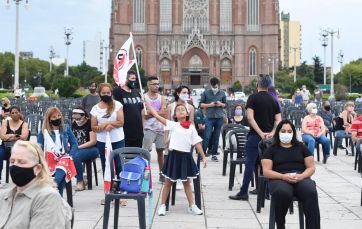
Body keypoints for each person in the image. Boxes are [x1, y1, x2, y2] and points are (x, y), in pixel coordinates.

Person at [144, 102, 207, 216]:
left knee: (186, 183)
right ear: (175, 115)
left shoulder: (192, 128)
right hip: (174, 157)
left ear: (187, 113)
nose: (181, 111)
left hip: (186, 157)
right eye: (178, 110)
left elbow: (197, 143)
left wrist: (203, 156)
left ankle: (192, 206)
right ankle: (162, 206)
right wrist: (149, 106)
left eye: (183, 109)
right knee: (168, 182)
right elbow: (158, 117)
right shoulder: (173, 125)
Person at [229, 75, 281, 200]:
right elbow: (279, 120)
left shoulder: (252, 98)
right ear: (269, 87)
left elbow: (250, 118)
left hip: (254, 136)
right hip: (269, 138)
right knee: (268, 165)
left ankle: (243, 192)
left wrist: (259, 132)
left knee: (250, 163)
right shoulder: (274, 100)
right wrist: (272, 133)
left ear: (258, 85)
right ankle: (267, 192)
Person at [261, 120, 320, 229]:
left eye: (289, 131)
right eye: (283, 131)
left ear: (293, 133)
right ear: (278, 132)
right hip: (279, 178)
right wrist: (283, 177)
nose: (286, 133)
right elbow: (266, 171)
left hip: (300, 177)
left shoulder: (301, 147)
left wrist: (301, 176)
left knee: (310, 191)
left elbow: (311, 167)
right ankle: (280, 224)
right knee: (282, 192)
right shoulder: (271, 149)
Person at [0, 141, 72, 228]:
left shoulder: (47, 197)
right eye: (12, 161)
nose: (15, 166)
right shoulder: (4, 196)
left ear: (37, 168)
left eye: (21, 162)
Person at [37, 107, 78, 196]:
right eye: (54, 117)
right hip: (50, 161)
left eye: (59, 115)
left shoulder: (66, 129)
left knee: (64, 161)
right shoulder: (43, 132)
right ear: (49, 119)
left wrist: (71, 156)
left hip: (65, 159)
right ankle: (58, 197)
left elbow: (74, 144)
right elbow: (38, 148)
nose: (57, 118)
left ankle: (54, 184)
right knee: (61, 173)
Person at [90, 83, 124, 176]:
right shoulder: (95, 108)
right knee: (105, 163)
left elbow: (121, 122)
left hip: (117, 139)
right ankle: (108, 185)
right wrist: (103, 127)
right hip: (102, 141)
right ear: (99, 93)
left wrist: (107, 123)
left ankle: (120, 185)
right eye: (103, 92)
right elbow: (93, 127)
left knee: (119, 164)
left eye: (108, 92)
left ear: (111, 93)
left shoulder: (118, 105)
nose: (106, 94)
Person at [142, 76, 167, 182]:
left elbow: (164, 113)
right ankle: (145, 174)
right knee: (145, 152)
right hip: (148, 128)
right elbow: (144, 114)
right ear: (149, 85)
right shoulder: (143, 97)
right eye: (154, 84)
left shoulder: (162, 98)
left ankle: (162, 174)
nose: (157, 86)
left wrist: (150, 112)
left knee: (160, 151)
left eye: (158, 84)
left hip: (160, 128)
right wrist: (157, 113)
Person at [113, 70, 144, 147]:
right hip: (125, 131)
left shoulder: (136, 92)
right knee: (126, 157)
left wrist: (143, 128)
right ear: (125, 79)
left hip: (138, 132)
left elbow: (141, 111)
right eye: (132, 78)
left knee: (136, 157)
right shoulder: (118, 91)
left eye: (135, 78)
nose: (134, 81)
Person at [71, 106, 99, 191]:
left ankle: (79, 181)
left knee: (76, 156)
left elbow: (93, 141)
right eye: (75, 118)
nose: (77, 120)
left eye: (78, 118)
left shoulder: (90, 123)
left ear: (83, 116)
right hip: (78, 148)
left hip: (92, 149)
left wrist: (78, 147)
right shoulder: (74, 123)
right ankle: (82, 178)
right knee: (65, 156)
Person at [200, 77, 227, 162]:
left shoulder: (222, 93)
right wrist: (210, 105)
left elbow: (226, 105)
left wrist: (220, 104)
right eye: (213, 85)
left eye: (216, 85)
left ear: (218, 85)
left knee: (216, 137)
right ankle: (203, 154)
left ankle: (214, 154)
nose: (215, 87)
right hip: (209, 117)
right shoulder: (206, 93)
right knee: (207, 136)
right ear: (211, 85)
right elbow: (201, 105)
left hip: (219, 117)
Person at [0, 106, 29, 184]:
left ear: (20, 113)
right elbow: (2, 136)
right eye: (12, 113)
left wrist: (9, 136)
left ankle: (21, 179)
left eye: (16, 112)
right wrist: (16, 136)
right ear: (10, 114)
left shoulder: (24, 124)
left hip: (19, 149)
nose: (15, 114)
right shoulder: (5, 122)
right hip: (5, 147)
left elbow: (24, 137)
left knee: (27, 156)